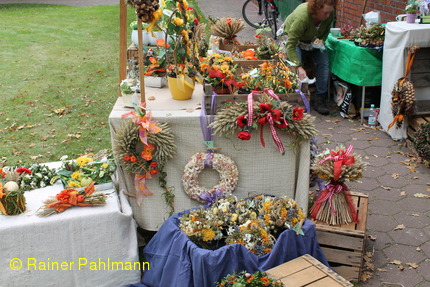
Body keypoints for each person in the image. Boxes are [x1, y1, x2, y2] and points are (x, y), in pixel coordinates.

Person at [282, 0, 335, 115]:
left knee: (324, 62)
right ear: (316, 9)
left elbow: (325, 32)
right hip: (295, 41)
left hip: (312, 41)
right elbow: (290, 45)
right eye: (325, 12)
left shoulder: (329, 15)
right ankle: (298, 99)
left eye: (329, 12)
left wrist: (319, 42)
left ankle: (320, 98)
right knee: (295, 65)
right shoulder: (302, 18)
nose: (328, 15)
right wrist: (299, 66)